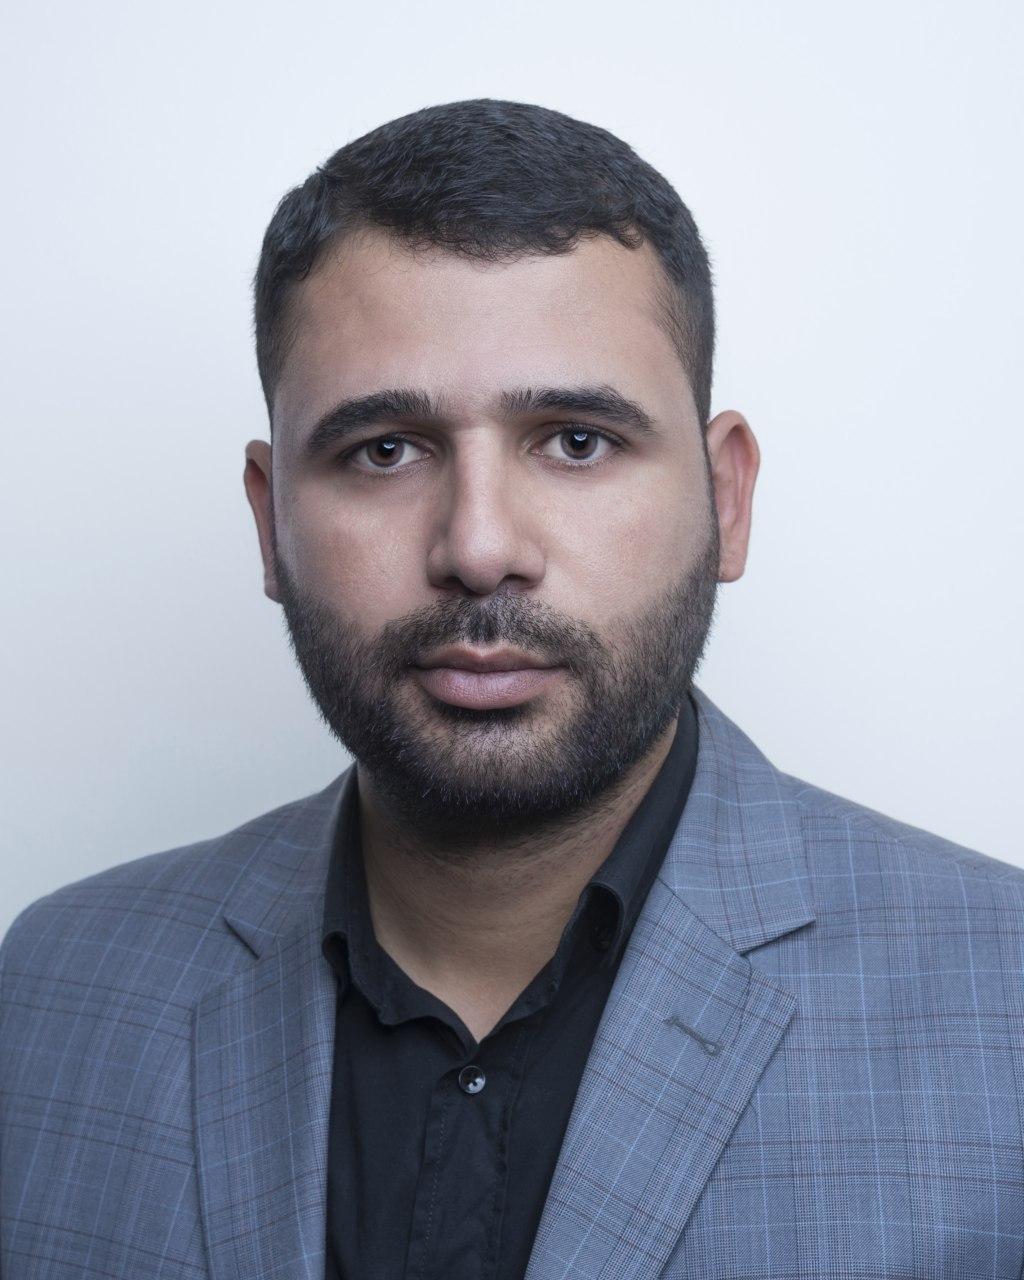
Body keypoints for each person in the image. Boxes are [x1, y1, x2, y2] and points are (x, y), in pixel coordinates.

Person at [1, 98, 1021, 1280]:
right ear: (269, 521)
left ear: (726, 499)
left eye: (576, 440)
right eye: (384, 449)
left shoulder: (1002, 1002)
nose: (479, 548)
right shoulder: (53, 989)